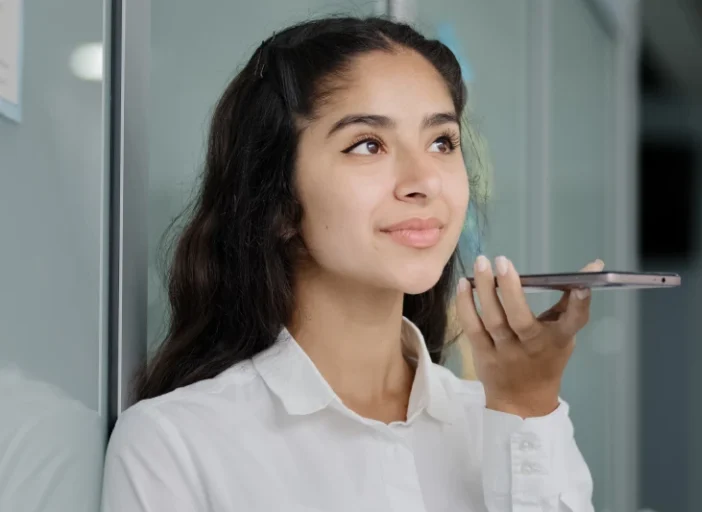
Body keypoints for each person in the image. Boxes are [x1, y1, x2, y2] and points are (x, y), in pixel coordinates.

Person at [101, 15, 601, 512]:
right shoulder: (177, 444)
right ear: (278, 203)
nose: (424, 180)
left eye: (441, 142)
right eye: (368, 144)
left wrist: (525, 408)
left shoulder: (510, 426)